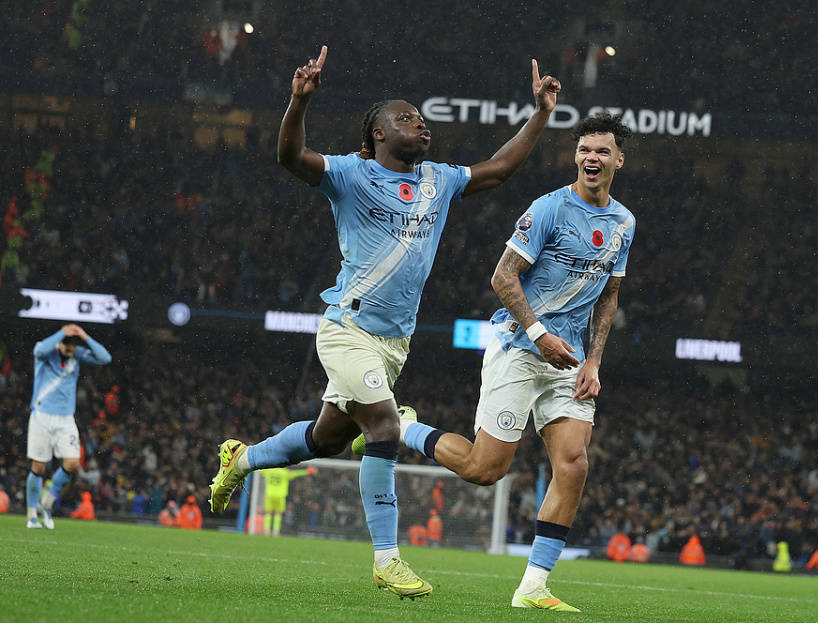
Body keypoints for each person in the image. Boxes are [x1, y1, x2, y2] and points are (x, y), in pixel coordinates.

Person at [207, 44, 561, 600]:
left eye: (421, 118)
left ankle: (242, 458)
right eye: (406, 117)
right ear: (377, 133)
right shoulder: (350, 174)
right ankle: (387, 560)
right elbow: (290, 157)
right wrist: (299, 101)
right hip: (347, 329)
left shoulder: (439, 180)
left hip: (395, 342)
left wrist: (539, 115)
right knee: (385, 427)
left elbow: (499, 170)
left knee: (325, 439)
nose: (420, 123)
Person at [358, 114, 634, 611]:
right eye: (584, 149)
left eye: (601, 151)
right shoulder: (549, 209)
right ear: (575, 156)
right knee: (485, 470)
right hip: (520, 347)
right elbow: (503, 277)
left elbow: (609, 296)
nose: (591, 158)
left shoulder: (623, 223)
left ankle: (533, 587)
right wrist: (540, 334)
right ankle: (403, 428)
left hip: (569, 360)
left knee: (574, 464)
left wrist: (593, 362)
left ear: (619, 160)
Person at [26, 324, 111, 529]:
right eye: (67, 347)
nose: (71, 351)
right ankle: (31, 515)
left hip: (65, 418)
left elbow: (105, 358)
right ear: (60, 343)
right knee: (38, 466)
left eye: (74, 348)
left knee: (72, 463)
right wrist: (62, 333)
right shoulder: (46, 352)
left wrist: (84, 336)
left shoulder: (77, 354)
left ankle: (47, 503)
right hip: (42, 415)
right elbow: (38, 350)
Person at [261, 466, 315, 536]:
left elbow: (258, 468)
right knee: (278, 513)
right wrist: (307, 471)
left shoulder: (268, 471)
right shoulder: (285, 472)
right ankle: (275, 532)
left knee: (268, 513)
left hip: (270, 494)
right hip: (280, 496)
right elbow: (296, 473)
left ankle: (266, 531)